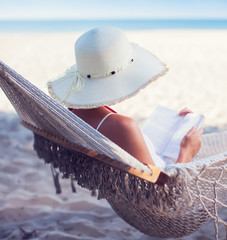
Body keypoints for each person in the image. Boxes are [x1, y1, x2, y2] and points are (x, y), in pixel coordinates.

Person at [47, 26, 203, 169]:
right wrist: (187, 152)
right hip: (170, 178)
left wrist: (173, 127)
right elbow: (163, 191)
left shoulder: (74, 115)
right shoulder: (123, 126)